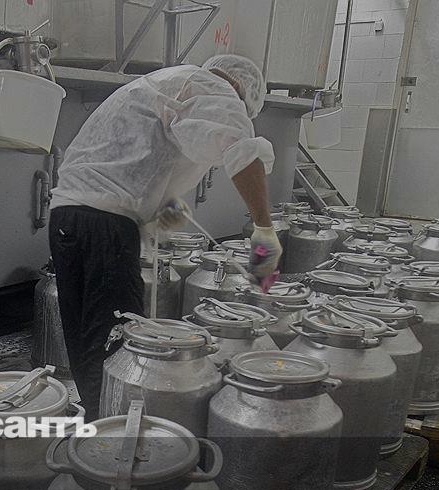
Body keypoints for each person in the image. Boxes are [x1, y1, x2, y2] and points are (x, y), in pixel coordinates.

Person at [48, 54, 283, 418]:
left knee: (85, 336)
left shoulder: (164, 83)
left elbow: (140, 164)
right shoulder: (214, 88)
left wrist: (156, 219)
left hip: (67, 215)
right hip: (106, 224)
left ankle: (96, 419)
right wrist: (264, 229)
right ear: (241, 90)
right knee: (116, 337)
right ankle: (113, 430)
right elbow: (241, 152)